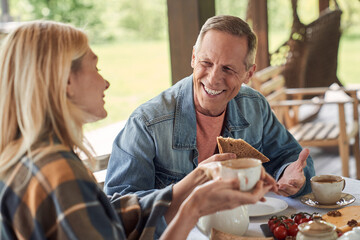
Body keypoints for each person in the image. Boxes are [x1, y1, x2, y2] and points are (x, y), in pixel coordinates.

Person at [0, 20, 277, 240]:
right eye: (95, 67)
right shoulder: (59, 175)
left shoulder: (28, 160)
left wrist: (198, 180)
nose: (105, 82)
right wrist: (192, 208)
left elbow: (108, 216)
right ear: (67, 82)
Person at [105, 14, 315, 231]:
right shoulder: (147, 123)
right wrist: (190, 187)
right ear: (194, 57)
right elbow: (117, 211)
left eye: (228, 69)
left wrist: (290, 173)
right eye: (206, 62)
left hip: (241, 231)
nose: (214, 78)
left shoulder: (255, 106)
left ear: (248, 73)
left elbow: (292, 158)